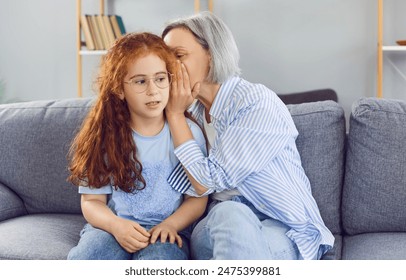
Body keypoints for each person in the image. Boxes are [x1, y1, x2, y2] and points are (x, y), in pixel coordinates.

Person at [162, 12, 335, 260]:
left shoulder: (256, 102)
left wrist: (175, 116)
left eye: (178, 56)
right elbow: (182, 185)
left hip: (281, 226)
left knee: (232, 218)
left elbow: (206, 181)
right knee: (227, 214)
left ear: (211, 54)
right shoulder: (192, 112)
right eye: (165, 58)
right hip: (216, 225)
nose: (170, 67)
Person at [67, 32, 208, 260]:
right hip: (112, 229)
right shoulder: (104, 136)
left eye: (160, 79)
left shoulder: (187, 133)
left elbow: (198, 198)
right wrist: (115, 226)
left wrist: (171, 225)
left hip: (167, 232)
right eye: (140, 81)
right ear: (120, 89)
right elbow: (92, 201)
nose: (153, 90)